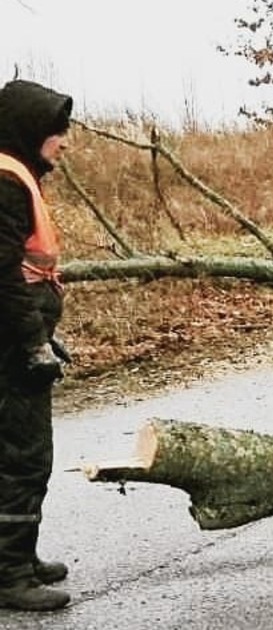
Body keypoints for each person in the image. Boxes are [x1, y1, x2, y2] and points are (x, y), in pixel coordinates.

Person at [0, 79, 75, 612]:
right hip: (8, 346)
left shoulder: (14, 173)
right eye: (58, 130)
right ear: (33, 128)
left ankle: (18, 559)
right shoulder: (5, 179)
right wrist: (31, 344)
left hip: (18, 335)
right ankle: (8, 575)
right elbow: (3, 276)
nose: (65, 141)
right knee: (23, 457)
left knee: (19, 454)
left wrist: (47, 334)